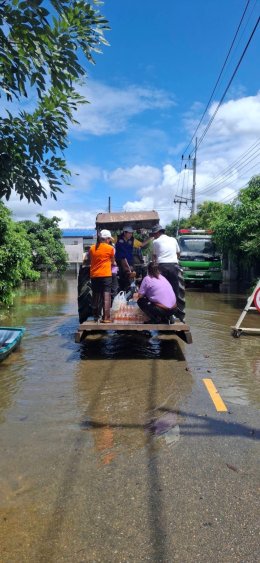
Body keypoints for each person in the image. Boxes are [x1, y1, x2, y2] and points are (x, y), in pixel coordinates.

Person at [89, 229, 115, 322]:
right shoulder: (110, 248)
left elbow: (92, 259)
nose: (110, 241)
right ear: (107, 239)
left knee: (96, 295)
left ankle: (96, 316)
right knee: (106, 294)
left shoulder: (92, 248)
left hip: (94, 275)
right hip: (106, 275)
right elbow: (112, 261)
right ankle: (106, 318)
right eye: (109, 239)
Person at [115, 225, 151, 290]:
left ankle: (129, 292)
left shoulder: (133, 240)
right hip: (119, 264)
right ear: (124, 232)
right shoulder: (117, 238)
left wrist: (150, 238)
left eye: (131, 233)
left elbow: (142, 244)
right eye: (129, 233)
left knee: (129, 281)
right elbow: (108, 239)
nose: (131, 234)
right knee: (121, 281)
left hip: (129, 264)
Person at [150, 224, 180, 302]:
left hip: (162, 266)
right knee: (175, 288)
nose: (154, 236)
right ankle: (175, 306)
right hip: (174, 266)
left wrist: (153, 267)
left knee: (161, 288)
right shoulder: (173, 239)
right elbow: (178, 254)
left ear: (157, 233)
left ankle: (162, 305)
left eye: (154, 234)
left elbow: (154, 257)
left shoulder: (155, 242)